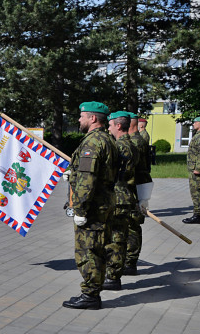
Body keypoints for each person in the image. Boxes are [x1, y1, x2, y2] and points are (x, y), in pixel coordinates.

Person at [63, 101, 117, 310]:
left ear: (92, 118)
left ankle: (90, 295)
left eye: (82, 116)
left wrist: (80, 209)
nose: (79, 120)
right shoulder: (107, 139)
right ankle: (93, 291)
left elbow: (88, 179)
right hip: (104, 203)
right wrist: (73, 173)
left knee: (89, 251)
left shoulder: (92, 143)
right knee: (98, 248)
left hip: (93, 207)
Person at [103, 111, 137, 291]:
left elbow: (111, 172)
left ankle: (113, 277)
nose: (108, 129)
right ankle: (114, 274)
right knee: (120, 237)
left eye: (109, 125)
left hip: (117, 196)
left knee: (115, 238)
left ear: (118, 125)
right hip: (124, 195)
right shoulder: (130, 144)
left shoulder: (120, 146)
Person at [124, 112, 151, 275]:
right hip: (136, 188)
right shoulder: (136, 140)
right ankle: (129, 260)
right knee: (131, 226)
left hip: (134, 190)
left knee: (132, 227)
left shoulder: (135, 142)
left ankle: (130, 262)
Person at [183, 116, 200, 224]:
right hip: (195, 169)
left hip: (198, 171)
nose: (193, 124)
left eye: (195, 122)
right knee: (196, 192)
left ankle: (198, 216)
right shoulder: (199, 135)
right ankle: (197, 214)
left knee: (198, 192)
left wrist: (198, 168)